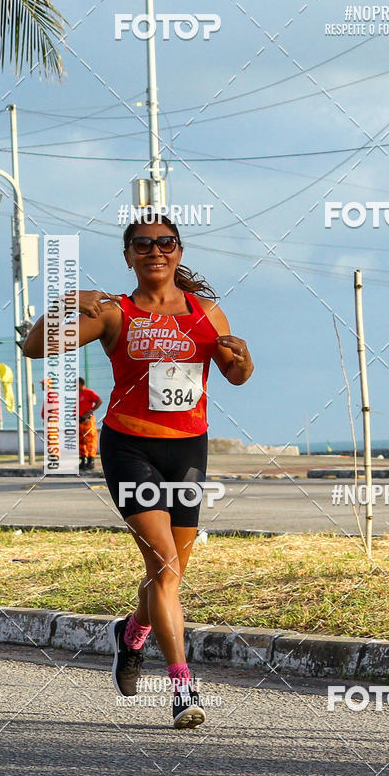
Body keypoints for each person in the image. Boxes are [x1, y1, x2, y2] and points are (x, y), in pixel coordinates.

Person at [22, 211, 253, 729]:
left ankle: (130, 635)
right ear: (129, 256)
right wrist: (65, 303)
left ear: (179, 251)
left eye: (166, 242)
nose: (156, 251)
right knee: (165, 566)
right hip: (129, 448)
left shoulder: (207, 312)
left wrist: (242, 360)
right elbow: (35, 347)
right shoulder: (114, 313)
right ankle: (182, 687)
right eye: (143, 244)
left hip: (189, 450)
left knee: (168, 574)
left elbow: (235, 376)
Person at [78, 377, 102, 472]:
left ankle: (90, 460)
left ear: (80, 384)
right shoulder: (77, 394)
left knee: (90, 439)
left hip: (88, 420)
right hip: (80, 420)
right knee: (81, 440)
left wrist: (90, 411)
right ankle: (83, 460)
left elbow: (99, 401)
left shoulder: (89, 392)